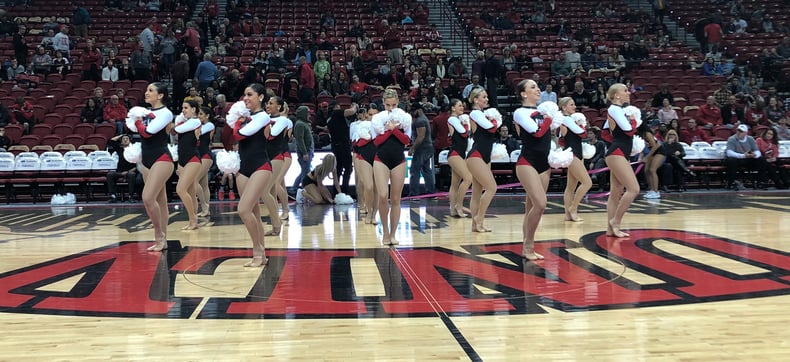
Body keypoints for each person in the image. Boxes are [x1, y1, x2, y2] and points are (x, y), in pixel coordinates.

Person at [233, 83, 274, 267]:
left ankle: (258, 252)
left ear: (261, 97)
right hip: (243, 168)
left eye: (250, 94)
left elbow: (242, 134)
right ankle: (261, 254)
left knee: (243, 209)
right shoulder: (246, 117)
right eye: (244, 95)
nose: (245, 98)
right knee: (254, 213)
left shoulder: (263, 117)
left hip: (261, 166)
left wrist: (236, 123)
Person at [130, 82, 175, 251]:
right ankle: (162, 239)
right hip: (147, 160)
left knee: (148, 198)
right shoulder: (146, 112)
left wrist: (138, 122)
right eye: (147, 90)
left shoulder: (166, 113)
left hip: (162, 158)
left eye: (151, 90)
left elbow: (147, 132)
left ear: (161, 95)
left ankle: (159, 236)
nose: (146, 93)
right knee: (160, 201)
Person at [512, 79, 554, 260]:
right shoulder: (520, 112)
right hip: (527, 161)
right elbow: (536, 132)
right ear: (523, 94)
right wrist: (549, 119)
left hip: (544, 164)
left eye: (538, 86)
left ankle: (528, 245)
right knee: (541, 204)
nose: (538, 89)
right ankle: (528, 246)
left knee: (532, 207)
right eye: (533, 87)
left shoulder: (542, 112)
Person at [371, 89, 412, 244]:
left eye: (394, 104)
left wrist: (393, 129)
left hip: (398, 159)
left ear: (398, 102)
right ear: (383, 103)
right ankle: (385, 233)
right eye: (388, 105)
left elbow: (406, 140)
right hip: (380, 158)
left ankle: (393, 234)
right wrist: (390, 130)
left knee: (396, 199)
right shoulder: (377, 118)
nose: (391, 108)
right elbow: (377, 141)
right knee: (382, 195)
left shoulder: (404, 117)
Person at [604, 83, 639, 238]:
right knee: (634, 189)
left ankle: (610, 229)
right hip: (617, 153)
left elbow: (605, 133)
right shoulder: (614, 109)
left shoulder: (618, 111)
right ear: (616, 95)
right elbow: (628, 130)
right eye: (625, 91)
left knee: (616, 193)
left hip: (619, 152)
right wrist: (633, 121)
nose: (628, 93)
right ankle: (616, 222)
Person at [466, 88, 499, 233]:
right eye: (483, 97)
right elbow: (490, 128)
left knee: (477, 192)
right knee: (492, 188)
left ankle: (477, 225)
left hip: (484, 156)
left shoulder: (483, 114)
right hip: (476, 155)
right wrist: (495, 120)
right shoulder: (475, 113)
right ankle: (478, 219)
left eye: (486, 97)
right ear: (475, 100)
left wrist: (493, 119)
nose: (486, 99)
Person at [558, 97, 592, 222]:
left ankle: (568, 214)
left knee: (571, 186)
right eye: (571, 104)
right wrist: (582, 125)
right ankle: (573, 208)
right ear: (563, 107)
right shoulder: (565, 119)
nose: (574, 107)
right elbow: (582, 133)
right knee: (587, 183)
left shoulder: (568, 119)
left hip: (576, 152)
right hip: (573, 154)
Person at [173, 100, 203, 230]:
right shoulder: (187, 122)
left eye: (186, 108)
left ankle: (193, 218)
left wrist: (178, 120)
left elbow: (176, 129)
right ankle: (193, 221)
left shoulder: (195, 121)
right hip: (182, 160)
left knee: (180, 189)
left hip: (193, 159)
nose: (183, 110)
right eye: (182, 108)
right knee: (190, 192)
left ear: (194, 109)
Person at [264, 96, 293, 222]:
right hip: (269, 154)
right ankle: (277, 212)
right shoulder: (267, 119)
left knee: (276, 182)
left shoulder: (286, 121)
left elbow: (286, 137)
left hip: (283, 153)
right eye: (268, 103)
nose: (268, 106)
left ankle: (285, 210)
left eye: (271, 103)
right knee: (277, 185)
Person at [446, 99, 473, 217]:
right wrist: (466, 123)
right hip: (455, 154)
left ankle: (453, 210)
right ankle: (459, 206)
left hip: (460, 154)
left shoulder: (458, 119)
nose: (462, 107)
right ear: (452, 108)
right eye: (460, 105)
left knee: (455, 183)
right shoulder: (452, 119)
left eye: (463, 106)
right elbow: (463, 132)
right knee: (468, 178)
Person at [350, 107, 377, 224]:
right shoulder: (357, 125)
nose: (371, 117)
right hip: (360, 154)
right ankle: (362, 204)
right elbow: (356, 142)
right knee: (362, 182)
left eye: (374, 115)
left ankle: (373, 213)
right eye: (369, 115)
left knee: (376, 188)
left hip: (377, 156)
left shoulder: (383, 127)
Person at [327, 101, 358, 194]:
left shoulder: (330, 119)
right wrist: (354, 107)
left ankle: (336, 192)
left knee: (339, 169)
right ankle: (345, 190)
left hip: (336, 146)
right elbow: (351, 112)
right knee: (348, 168)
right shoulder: (336, 113)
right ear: (336, 107)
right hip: (343, 146)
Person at [408, 102, 435, 197]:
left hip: (422, 149)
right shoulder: (425, 119)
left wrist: (412, 148)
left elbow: (420, 136)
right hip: (428, 147)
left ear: (418, 110)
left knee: (414, 171)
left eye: (413, 111)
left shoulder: (420, 121)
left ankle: (414, 193)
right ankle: (431, 192)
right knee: (426, 170)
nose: (412, 113)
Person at [106, 134, 138, 202]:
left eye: (127, 138)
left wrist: (127, 172)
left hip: (130, 171)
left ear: (130, 141)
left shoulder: (134, 150)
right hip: (119, 172)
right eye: (124, 139)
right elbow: (111, 141)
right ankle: (113, 196)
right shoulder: (120, 148)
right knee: (110, 174)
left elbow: (137, 165)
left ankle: (131, 196)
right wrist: (121, 135)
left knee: (131, 175)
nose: (125, 140)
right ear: (121, 142)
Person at [638, 122, 666, 199]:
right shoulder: (642, 135)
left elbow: (655, 146)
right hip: (652, 151)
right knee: (646, 170)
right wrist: (640, 156)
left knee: (652, 170)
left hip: (659, 151)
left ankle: (656, 192)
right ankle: (651, 189)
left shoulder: (647, 134)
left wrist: (647, 157)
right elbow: (643, 146)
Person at [196, 106, 215, 218]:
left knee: (194, 181)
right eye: (198, 114)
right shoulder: (200, 125)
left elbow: (198, 133)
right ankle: (206, 209)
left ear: (207, 116)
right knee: (203, 184)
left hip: (206, 156)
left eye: (201, 114)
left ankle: (204, 206)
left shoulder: (209, 125)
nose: (199, 116)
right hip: (199, 155)